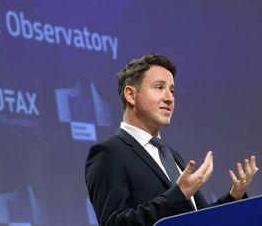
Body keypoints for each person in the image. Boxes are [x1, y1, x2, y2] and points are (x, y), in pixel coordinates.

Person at [85, 54, 258, 226]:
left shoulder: (171, 155)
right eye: (159, 87)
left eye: (172, 90)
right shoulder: (108, 154)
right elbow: (114, 223)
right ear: (131, 95)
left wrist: (234, 196)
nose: (170, 98)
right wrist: (179, 194)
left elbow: (198, 219)